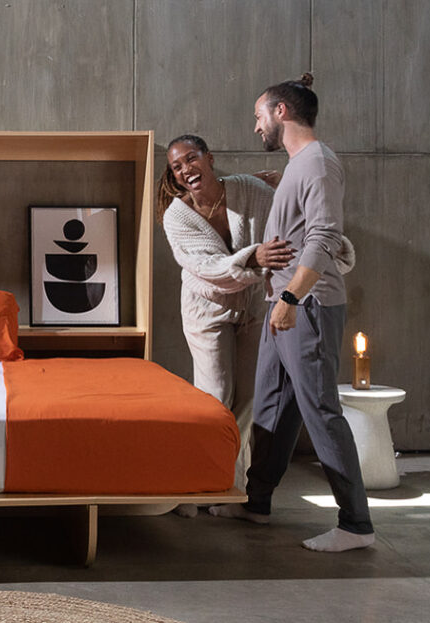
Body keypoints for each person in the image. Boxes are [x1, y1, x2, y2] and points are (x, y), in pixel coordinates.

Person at [209, 73, 375, 553]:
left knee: (321, 411)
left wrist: (290, 299)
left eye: (259, 115)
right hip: (284, 306)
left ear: (281, 112)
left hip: (309, 306)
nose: (255, 125)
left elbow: (324, 236)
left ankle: (356, 525)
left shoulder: (319, 164)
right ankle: (256, 502)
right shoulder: (300, 166)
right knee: (271, 409)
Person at [155, 135, 294, 517]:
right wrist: (256, 257)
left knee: (249, 397)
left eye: (191, 159)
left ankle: (224, 486)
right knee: (215, 397)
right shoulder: (176, 216)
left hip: (251, 306)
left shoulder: (248, 189)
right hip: (206, 311)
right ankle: (194, 484)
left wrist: (288, 185)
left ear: (209, 158)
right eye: (178, 166)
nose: (186, 170)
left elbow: (285, 224)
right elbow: (209, 268)